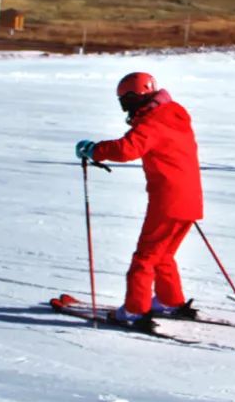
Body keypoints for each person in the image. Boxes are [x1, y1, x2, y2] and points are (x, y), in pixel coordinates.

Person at [75, 72, 204, 325]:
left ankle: (135, 309)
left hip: (168, 200)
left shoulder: (153, 122)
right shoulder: (174, 115)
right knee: (163, 254)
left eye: (125, 101)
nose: (124, 109)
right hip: (190, 199)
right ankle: (169, 300)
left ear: (136, 98)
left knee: (145, 257)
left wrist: (95, 150)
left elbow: (127, 149)